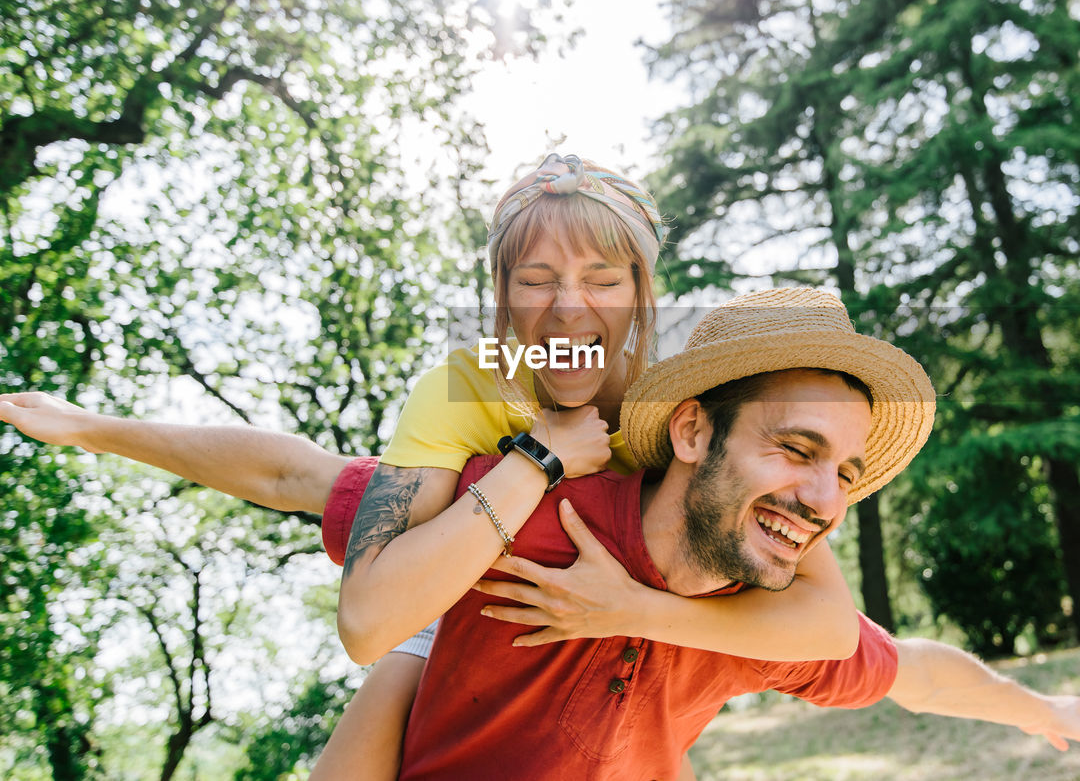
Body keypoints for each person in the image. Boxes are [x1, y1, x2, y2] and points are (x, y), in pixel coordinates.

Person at [0, 291, 1080, 774]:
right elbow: (297, 472)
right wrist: (90, 427)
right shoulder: (522, 511)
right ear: (690, 428)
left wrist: (1032, 705)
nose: (825, 494)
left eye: (843, 470)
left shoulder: (757, 617)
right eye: (792, 446)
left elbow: (901, 663)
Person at [0, 154, 861, 777]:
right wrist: (537, 457)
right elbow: (348, 577)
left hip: (637, 608)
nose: (568, 306)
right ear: (499, 297)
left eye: (602, 277)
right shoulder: (468, 385)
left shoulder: (688, 396)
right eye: (535, 279)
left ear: (641, 290)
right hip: (457, 575)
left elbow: (828, 622)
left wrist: (627, 609)